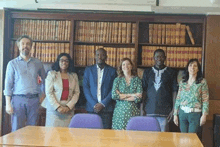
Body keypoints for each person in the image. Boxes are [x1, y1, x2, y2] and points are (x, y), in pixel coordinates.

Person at [4, 35, 46, 132]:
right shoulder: (12, 64)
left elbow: (44, 79)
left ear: (31, 47)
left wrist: (43, 94)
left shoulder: (37, 63)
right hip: (18, 100)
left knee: (33, 130)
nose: (25, 46)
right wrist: (8, 103)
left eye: (28, 44)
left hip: (34, 100)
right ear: (18, 46)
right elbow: (8, 84)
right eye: (22, 44)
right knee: (16, 129)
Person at [142, 49, 178, 132]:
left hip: (165, 111)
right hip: (149, 110)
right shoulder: (147, 72)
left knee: (163, 138)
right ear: (153, 58)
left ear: (165, 58)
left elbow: (174, 91)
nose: (159, 59)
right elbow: (143, 90)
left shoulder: (171, 72)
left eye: (161, 56)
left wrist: (173, 109)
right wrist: (142, 108)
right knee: (149, 138)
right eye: (157, 57)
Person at [83, 48, 117, 129]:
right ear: (95, 56)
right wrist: (94, 104)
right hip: (92, 108)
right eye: (97, 55)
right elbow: (86, 88)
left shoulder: (112, 71)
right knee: (91, 135)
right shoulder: (88, 70)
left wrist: (103, 103)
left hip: (107, 109)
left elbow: (114, 89)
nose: (100, 57)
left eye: (102, 55)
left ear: (106, 57)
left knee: (106, 136)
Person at [43, 53, 80, 127]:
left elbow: (76, 93)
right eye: (62, 60)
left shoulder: (74, 76)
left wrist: (68, 107)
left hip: (68, 111)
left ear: (69, 63)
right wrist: (57, 107)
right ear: (58, 62)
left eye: (66, 61)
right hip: (54, 110)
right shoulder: (51, 74)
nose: (64, 62)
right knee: (52, 136)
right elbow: (49, 92)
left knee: (67, 135)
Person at [173, 59, 209, 133]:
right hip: (182, 113)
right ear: (187, 68)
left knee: (192, 139)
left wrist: (204, 115)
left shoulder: (202, 82)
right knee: (183, 138)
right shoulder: (182, 82)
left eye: (195, 66)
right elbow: (178, 99)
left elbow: (205, 100)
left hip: (195, 114)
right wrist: (175, 114)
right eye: (190, 65)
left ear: (198, 69)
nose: (192, 67)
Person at [112, 58, 142, 130]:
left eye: (128, 64)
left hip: (133, 113)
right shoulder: (117, 80)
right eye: (123, 64)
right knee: (119, 138)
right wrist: (133, 95)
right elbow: (114, 95)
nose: (126, 66)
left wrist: (121, 95)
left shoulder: (137, 80)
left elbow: (139, 98)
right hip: (119, 114)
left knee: (133, 137)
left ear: (131, 66)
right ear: (121, 67)